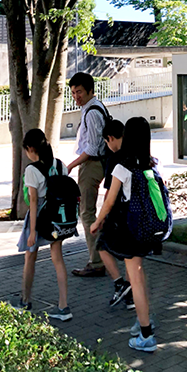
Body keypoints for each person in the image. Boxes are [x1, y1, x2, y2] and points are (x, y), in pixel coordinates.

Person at [91, 116, 164, 352]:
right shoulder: (153, 164)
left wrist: (97, 222)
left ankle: (146, 334)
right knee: (139, 276)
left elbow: (109, 201)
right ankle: (144, 320)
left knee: (136, 280)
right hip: (147, 229)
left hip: (130, 230)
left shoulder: (122, 167)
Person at [15, 128, 72, 320]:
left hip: (40, 216)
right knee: (58, 258)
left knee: (30, 257)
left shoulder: (32, 170)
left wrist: (32, 231)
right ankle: (64, 306)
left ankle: (25, 300)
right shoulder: (61, 165)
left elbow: (32, 201)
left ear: (31, 148)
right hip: (58, 217)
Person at [67, 72, 108, 278]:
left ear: (90, 90)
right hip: (96, 163)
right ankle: (101, 257)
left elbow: (92, 147)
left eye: (79, 91)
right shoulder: (94, 107)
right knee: (91, 212)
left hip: (92, 165)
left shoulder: (91, 111)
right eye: (73, 92)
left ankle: (97, 261)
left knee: (87, 213)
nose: (76, 96)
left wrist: (72, 165)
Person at [96, 119, 135, 310]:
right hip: (134, 212)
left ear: (110, 138)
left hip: (118, 213)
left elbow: (109, 195)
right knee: (130, 254)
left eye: (106, 142)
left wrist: (100, 218)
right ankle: (130, 296)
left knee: (102, 246)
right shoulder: (136, 154)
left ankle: (120, 283)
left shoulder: (114, 160)